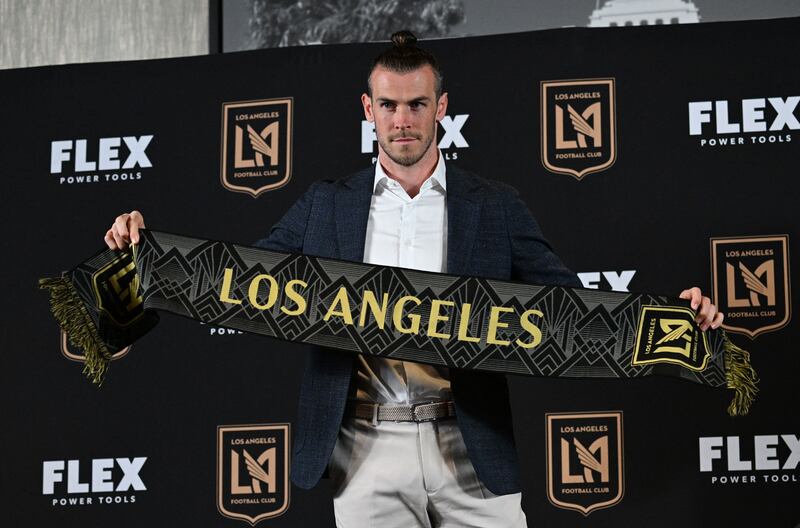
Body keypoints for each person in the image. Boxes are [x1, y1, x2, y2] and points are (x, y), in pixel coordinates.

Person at [105, 31, 723, 528]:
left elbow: (568, 304)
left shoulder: (495, 205)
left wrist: (674, 320)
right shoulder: (326, 204)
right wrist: (137, 268)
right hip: (365, 448)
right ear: (368, 109)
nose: (404, 121)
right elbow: (233, 283)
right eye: (391, 106)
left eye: (418, 104)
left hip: (470, 441)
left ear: (442, 109)